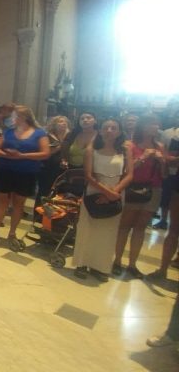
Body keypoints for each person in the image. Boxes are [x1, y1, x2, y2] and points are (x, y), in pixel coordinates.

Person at [71, 118, 132, 281]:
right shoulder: (92, 150)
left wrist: (114, 192)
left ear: (119, 132)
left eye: (114, 128)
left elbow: (129, 175)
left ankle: (100, 265)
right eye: (106, 127)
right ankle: (82, 263)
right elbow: (88, 175)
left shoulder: (125, 151)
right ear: (100, 131)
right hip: (94, 191)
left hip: (116, 191)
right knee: (88, 228)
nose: (110, 130)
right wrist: (106, 192)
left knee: (108, 231)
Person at [113, 114, 165, 279]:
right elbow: (127, 169)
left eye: (157, 124)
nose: (155, 127)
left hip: (153, 189)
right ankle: (117, 260)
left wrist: (162, 161)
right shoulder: (130, 145)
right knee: (124, 226)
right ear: (143, 126)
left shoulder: (160, 146)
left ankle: (133, 264)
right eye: (152, 124)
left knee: (140, 228)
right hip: (132, 188)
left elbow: (163, 175)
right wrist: (143, 157)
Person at [0, 106, 50, 244]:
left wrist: (22, 156)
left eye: (14, 116)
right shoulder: (9, 132)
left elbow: (45, 153)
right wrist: (8, 155)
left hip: (26, 172)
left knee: (19, 203)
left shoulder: (39, 133)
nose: (11, 119)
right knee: (2, 201)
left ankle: (12, 233)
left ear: (23, 117)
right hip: (6, 169)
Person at [35, 115, 71, 211]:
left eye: (65, 122)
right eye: (60, 121)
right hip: (47, 167)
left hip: (63, 169)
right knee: (44, 191)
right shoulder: (47, 136)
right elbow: (44, 152)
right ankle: (39, 215)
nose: (63, 123)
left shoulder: (70, 136)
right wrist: (59, 147)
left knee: (59, 193)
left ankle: (55, 216)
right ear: (54, 124)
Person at [155, 110, 179, 229]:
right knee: (166, 196)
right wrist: (166, 158)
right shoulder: (166, 132)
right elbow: (161, 149)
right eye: (176, 115)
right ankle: (163, 220)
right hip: (168, 168)